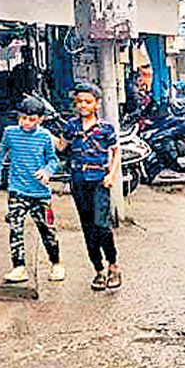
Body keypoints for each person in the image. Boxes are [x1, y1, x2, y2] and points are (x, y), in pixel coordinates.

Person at [0, 96, 65, 284]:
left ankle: (56, 264)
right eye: (23, 118)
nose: (26, 123)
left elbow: (53, 160)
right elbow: (1, 154)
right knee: (15, 229)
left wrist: (47, 171)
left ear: (41, 119)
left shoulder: (45, 137)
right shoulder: (10, 133)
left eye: (32, 119)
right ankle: (19, 267)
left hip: (40, 193)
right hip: (16, 190)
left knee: (46, 230)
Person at [55, 81, 121, 291]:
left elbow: (116, 152)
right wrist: (38, 132)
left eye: (88, 101)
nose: (83, 105)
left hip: (100, 181)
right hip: (78, 181)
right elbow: (60, 146)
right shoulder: (71, 126)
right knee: (88, 227)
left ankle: (113, 265)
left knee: (102, 225)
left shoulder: (106, 129)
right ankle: (99, 270)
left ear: (97, 104)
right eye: (80, 101)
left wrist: (111, 175)